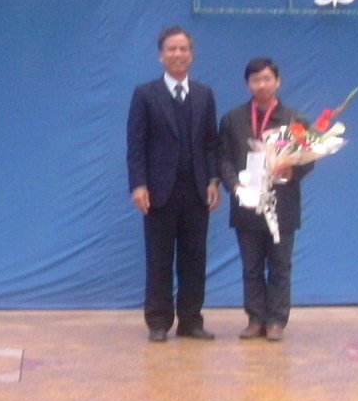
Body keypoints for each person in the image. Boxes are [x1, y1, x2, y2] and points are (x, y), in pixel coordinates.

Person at [127, 25, 221, 342]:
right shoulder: (145, 94)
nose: (178, 54)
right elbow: (136, 145)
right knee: (159, 259)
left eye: (183, 49)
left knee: (195, 259)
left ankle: (191, 321)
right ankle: (158, 321)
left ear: (191, 55)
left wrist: (213, 179)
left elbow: (210, 144)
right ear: (161, 56)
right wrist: (138, 185)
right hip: (158, 192)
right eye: (171, 49)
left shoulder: (204, 94)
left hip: (196, 191)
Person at [218, 57, 314, 342]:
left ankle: (276, 321)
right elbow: (222, 158)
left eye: (267, 79)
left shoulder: (295, 120)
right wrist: (235, 186)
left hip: (282, 204)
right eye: (255, 80)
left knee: (280, 266)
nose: (261, 84)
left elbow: (308, 158)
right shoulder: (232, 120)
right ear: (247, 84)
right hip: (246, 204)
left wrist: (292, 170)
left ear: (278, 81)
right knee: (251, 267)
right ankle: (255, 319)